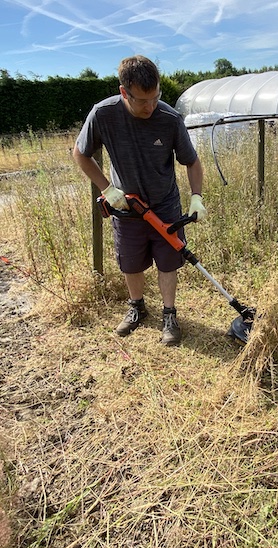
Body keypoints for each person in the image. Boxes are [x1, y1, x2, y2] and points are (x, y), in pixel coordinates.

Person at [73, 55, 207, 346]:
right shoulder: (103, 114)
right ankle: (137, 307)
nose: (150, 107)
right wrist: (107, 188)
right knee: (130, 263)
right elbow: (80, 153)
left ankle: (169, 314)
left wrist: (196, 197)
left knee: (168, 262)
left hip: (165, 205)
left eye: (155, 98)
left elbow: (192, 162)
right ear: (124, 92)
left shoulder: (169, 119)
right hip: (126, 207)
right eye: (142, 101)